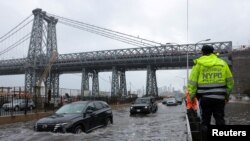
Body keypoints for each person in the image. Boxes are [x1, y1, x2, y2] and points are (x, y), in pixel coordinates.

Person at [188, 45, 234, 140]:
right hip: (219, 98)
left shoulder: (198, 64)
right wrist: (227, 95)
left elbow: (192, 82)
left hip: (204, 99)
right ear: (213, 52)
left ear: (202, 52)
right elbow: (230, 81)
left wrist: (192, 96)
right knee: (220, 120)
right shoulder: (222, 63)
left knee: (205, 121)